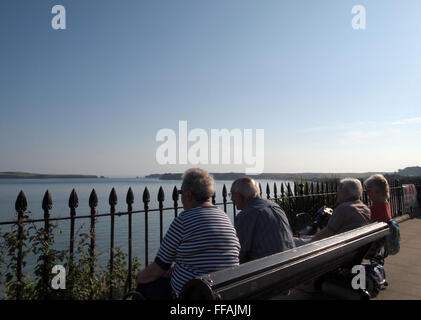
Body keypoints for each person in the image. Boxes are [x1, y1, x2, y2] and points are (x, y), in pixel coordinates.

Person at [135, 168, 240, 300]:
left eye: (181, 193)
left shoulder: (184, 220)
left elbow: (159, 267)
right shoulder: (223, 216)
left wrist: (139, 277)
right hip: (225, 289)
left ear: (189, 195)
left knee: (145, 285)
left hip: (195, 294)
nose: (181, 197)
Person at [230, 177, 295, 264]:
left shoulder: (246, 215)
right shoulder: (275, 206)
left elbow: (240, 254)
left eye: (232, 195)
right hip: (290, 261)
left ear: (239, 195)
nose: (231, 199)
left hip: (266, 269)